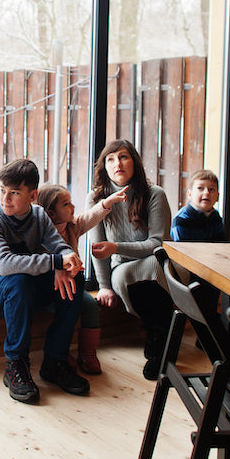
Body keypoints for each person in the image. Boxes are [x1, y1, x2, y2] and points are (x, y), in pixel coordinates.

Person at [0, 158, 91, 404]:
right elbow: (5, 265)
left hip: (23, 290)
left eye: (14, 192)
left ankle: (55, 361)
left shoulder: (39, 216)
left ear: (33, 195)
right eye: (2, 191)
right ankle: (16, 364)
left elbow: (59, 247)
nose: (5, 199)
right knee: (17, 281)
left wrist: (65, 263)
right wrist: (55, 262)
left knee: (75, 278)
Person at [87, 139, 173, 381]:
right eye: (111, 159)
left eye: (123, 157)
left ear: (134, 161)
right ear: (104, 167)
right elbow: (97, 249)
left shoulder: (154, 194)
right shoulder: (96, 199)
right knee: (125, 274)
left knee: (154, 265)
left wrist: (116, 246)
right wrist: (103, 287)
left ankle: (158, 342)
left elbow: (158, 244)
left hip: (157, 263)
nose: (118, 164)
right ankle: (161, 335)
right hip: (121, 269)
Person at [36, 182, 127, 374]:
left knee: (91, 306)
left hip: (74, 288)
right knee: (66, 309)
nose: (73, 207)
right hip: (52, 289)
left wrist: (108, 202)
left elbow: (90, 217)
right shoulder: (41, 235)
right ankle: (61, 352)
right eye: (66, 204)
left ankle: (88, 353)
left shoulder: (72, 227)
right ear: (51, 213)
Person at [171, 169, 227, 242]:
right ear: (189, 194)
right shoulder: (182, 219)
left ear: (217, 197)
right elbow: (181, 249)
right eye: (200, 188)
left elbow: (222, 245)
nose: (207, 193)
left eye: (211, 189)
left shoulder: (216, 217)